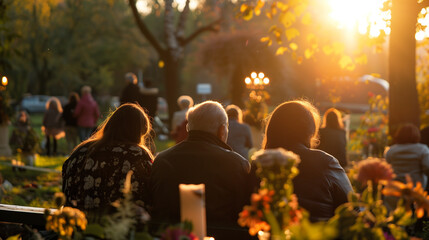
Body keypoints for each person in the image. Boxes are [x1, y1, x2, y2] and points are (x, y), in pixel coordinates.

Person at [150, 101, 251, 239]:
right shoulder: (237, 164)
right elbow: (244, 215)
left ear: (187, 128)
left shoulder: (162, 160)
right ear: (222, 130)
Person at [262, 100, 352, 222]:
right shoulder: (325, 163)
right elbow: (352, 209)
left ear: (271, 130)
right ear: (310, 133)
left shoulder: (260, 165)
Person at [62, 103, 153, 213]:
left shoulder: (81, 151)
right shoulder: (137, 154)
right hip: (114, 226)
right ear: (140, 131)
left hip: (75, 223)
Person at [385, 123, 429, 188]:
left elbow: (386, 168)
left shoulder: (391, 150)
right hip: (416, 189)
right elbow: (427, 168)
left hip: (395, 187)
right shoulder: (422, 149)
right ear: (416, 135)